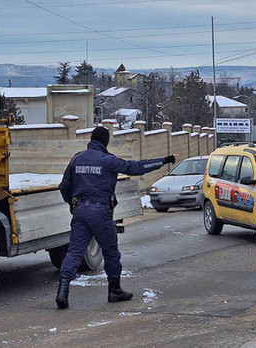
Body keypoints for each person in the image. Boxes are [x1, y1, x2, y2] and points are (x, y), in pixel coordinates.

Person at [56, 126, 177, 309]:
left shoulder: (77, 159)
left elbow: (64, 187)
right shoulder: (108, 160)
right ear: (105, 141)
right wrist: (163, 161)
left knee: (74, 251)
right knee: (110, 252)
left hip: (81, 211)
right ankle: (114, 290)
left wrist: (73, 205)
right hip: (101, 212)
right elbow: (136, 168)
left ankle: (63, 292)